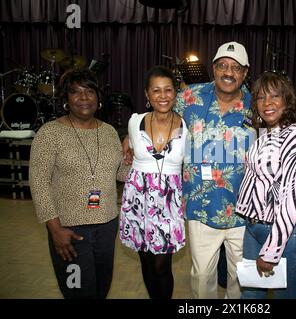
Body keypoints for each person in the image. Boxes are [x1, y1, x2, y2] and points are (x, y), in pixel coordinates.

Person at [29, 69, 129, 299]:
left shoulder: (109, 132)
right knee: (78, 292)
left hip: (106, 225)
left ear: (98, 97)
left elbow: (121, 173)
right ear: (66, 99)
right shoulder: (50, 133)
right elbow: (39, 181)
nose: (84, 98)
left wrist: (136, 159)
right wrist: (55, 229)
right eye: (76, 92)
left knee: (101, 289)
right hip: (70, 229)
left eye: (89, 91)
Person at [174, 41, 253, 299]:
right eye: (223, 66)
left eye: (236, 68)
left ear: (245, 73)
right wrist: (135, 132)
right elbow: (161, 117)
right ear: (214, 68)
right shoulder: (189, 98)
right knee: (201, 276)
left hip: (244, 208)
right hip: (201, 205)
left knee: (241, 276)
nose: (228, 72)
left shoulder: (258, 105)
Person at [235, 71, 296, 299]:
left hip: (290, 233)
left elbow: (292, 202)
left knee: (285, 296)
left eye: (275, 96)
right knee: (251, 296)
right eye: (261, 98)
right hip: (254, 228)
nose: (267, 103)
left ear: (287, 100)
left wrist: (272, 250)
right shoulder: (264, 135)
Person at [120, 66, 187, 299]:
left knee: (161, 264)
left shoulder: (187, 127)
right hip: (137, 198)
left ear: (175, 93)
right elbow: (129, 142)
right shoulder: (134, 121)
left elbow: (192, 166)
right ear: (147, 95)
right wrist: (126, 145)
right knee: (146, 259)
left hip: (169, 199)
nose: (163, 95)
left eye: (168, 90)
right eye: (156, 90)